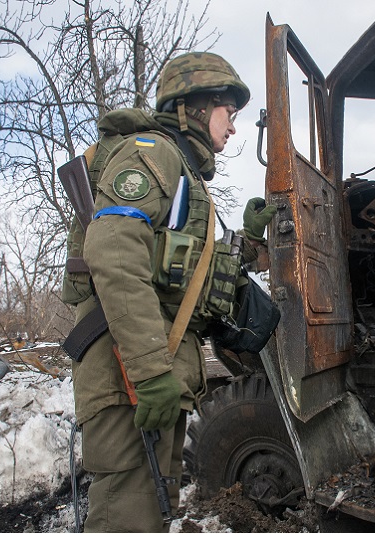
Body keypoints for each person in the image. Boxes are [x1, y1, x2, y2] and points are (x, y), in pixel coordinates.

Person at [69, 52, 276, 532]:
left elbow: (189, 277)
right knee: (128, 517)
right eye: (230, 112)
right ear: (197, 107)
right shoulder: (152, 155)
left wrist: (247, 239)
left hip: (150, 372)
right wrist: (147, 373)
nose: (235, 127)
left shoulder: (184, 174)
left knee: (147, 513)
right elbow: (115, 256)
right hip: (130, 374)